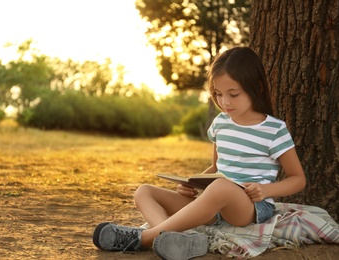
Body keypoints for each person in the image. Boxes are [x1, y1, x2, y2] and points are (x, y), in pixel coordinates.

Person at [92, 47, 306, 260]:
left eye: (233, 94)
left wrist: (266, 189)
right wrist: (192, 184)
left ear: (257, 87)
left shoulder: (274, 129)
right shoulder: (221, 123)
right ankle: (176, 240)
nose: (224, 102)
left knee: (222, 187)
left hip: (249, 208)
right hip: (213, 205)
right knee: (144, 191)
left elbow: (298, 179)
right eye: (218, 94)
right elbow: (215, 168)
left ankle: (144, 238)